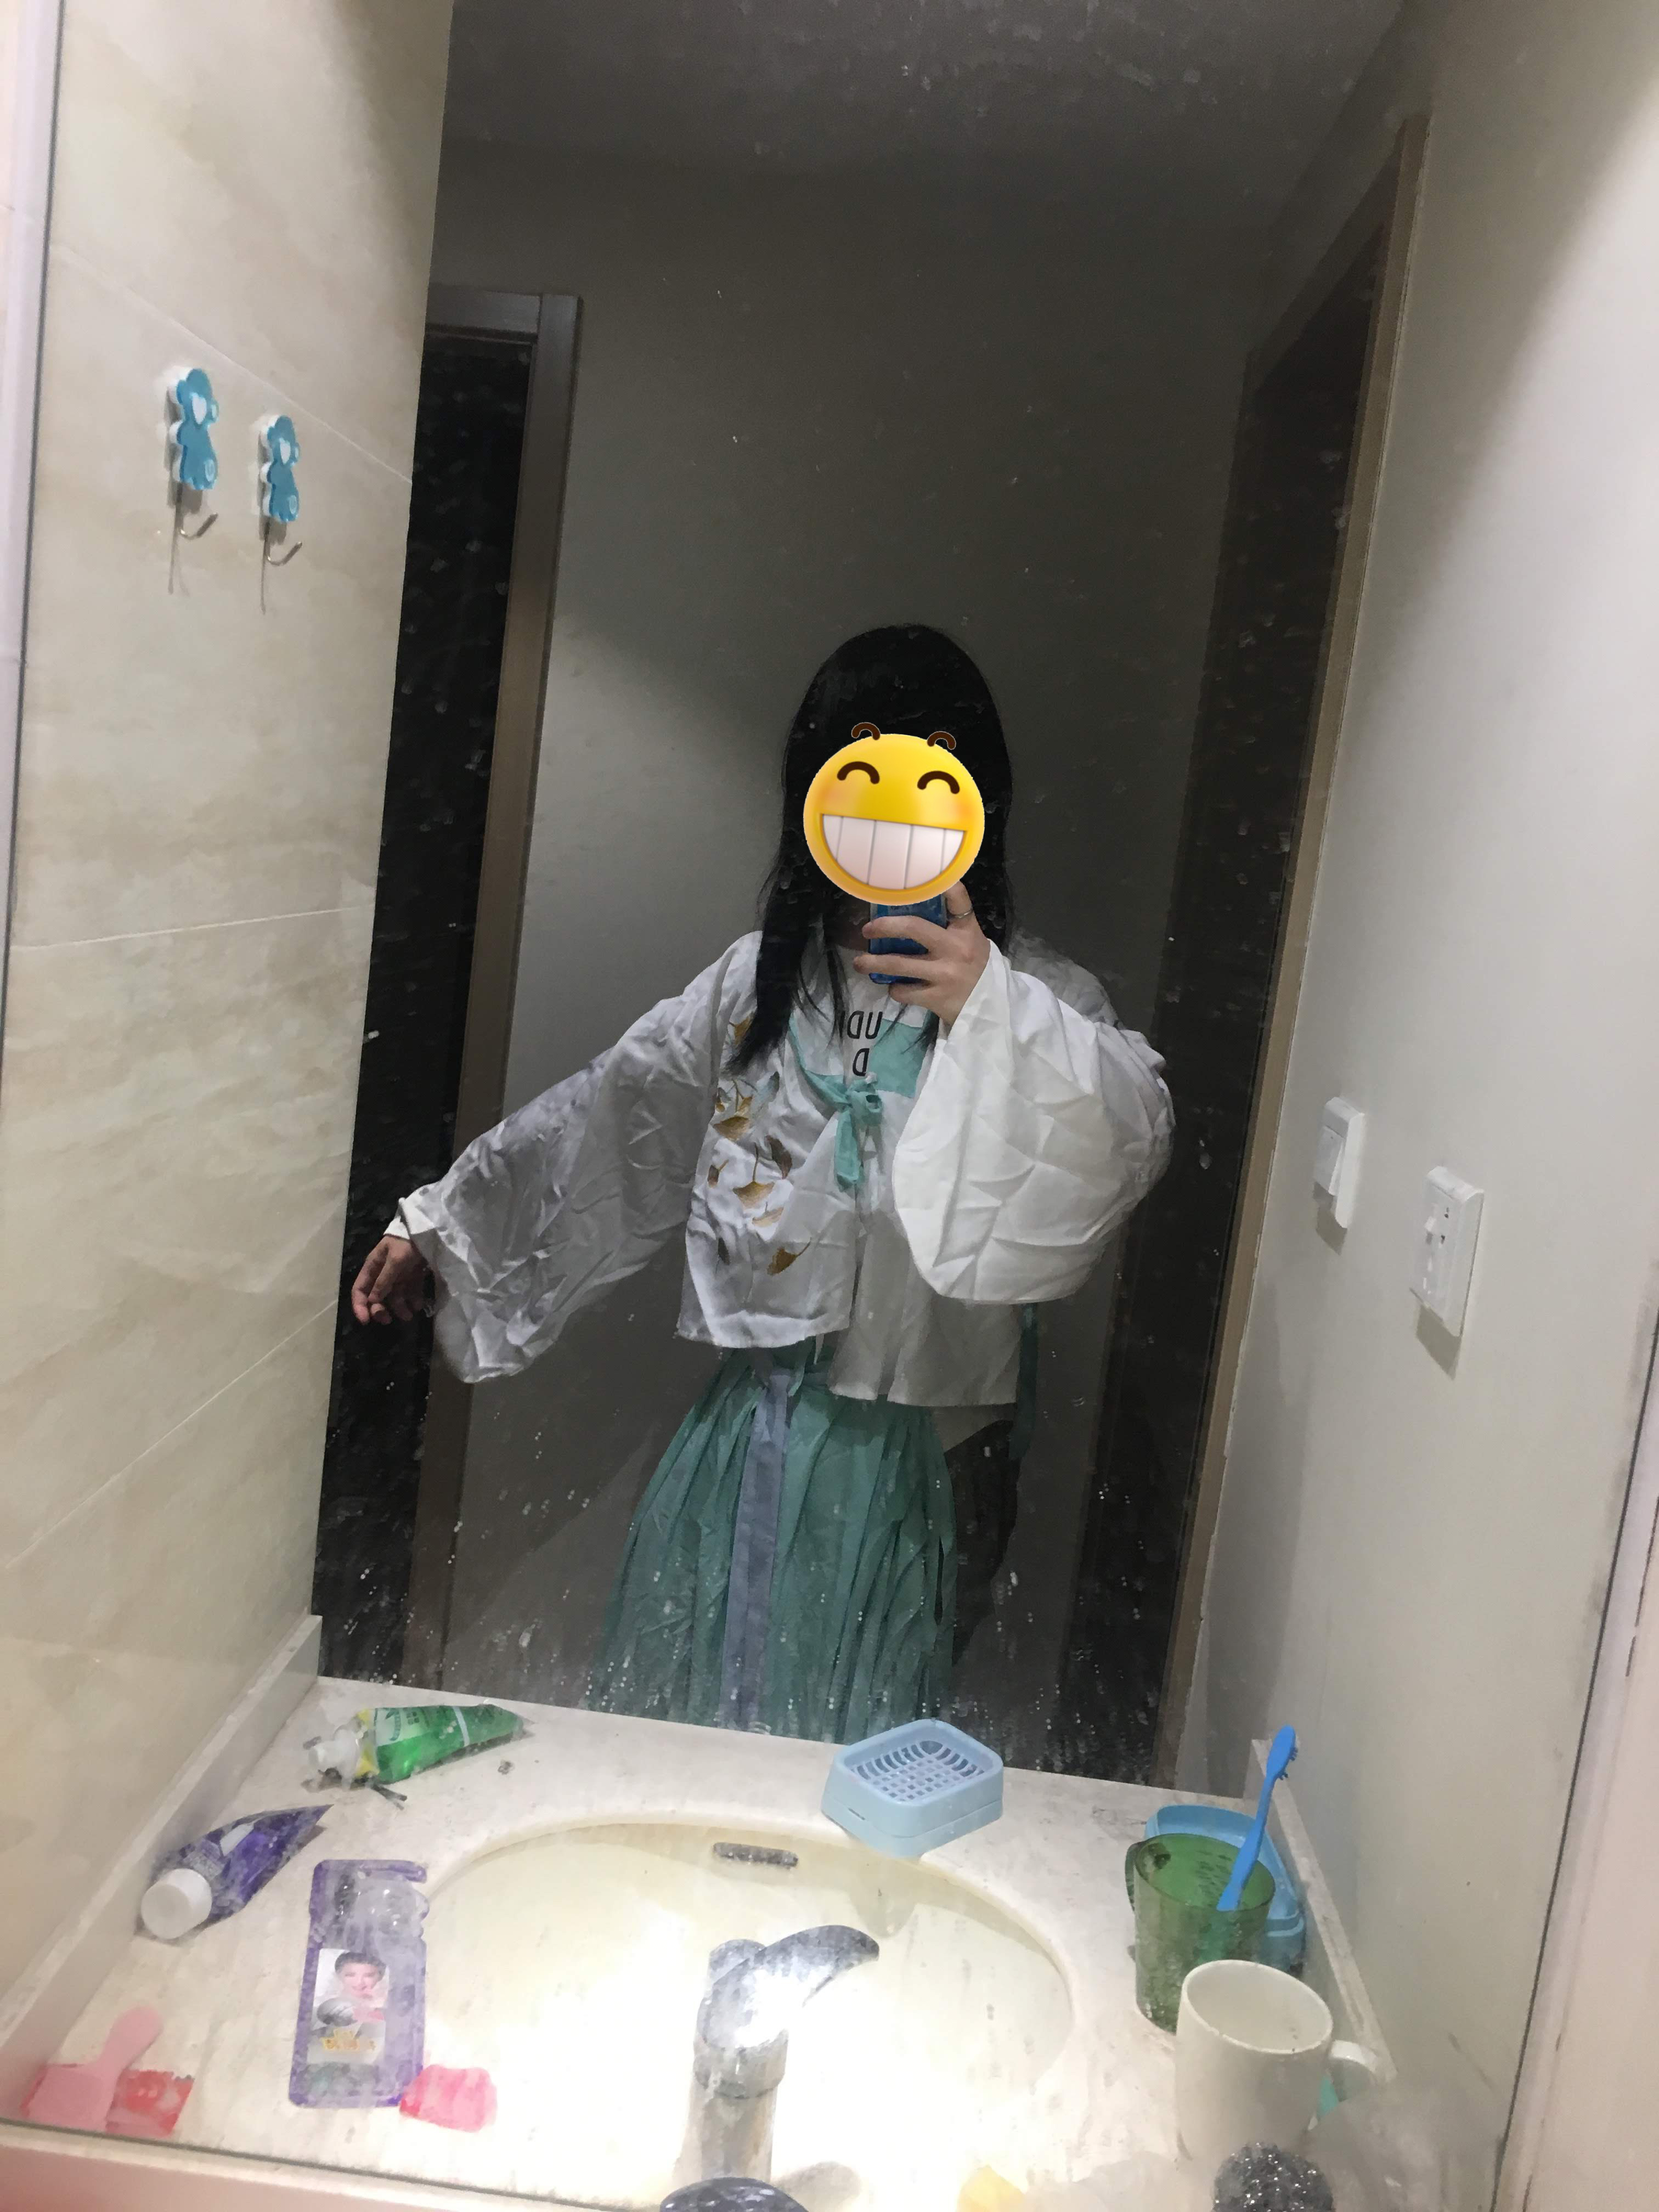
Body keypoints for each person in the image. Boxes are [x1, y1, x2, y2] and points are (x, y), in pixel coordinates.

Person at [353, 625, 1172, 1745]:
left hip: (940, 1451)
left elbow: (1127, 1136)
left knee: (868, 1738)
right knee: (701, 1707)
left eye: (932, 764)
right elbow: (615, 1112)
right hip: (759, 1434)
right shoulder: (759, 985)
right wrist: (442, 1224)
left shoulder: (1042, 996)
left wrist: (989, 1003)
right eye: (864, 759)